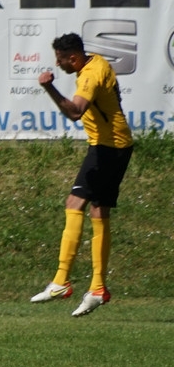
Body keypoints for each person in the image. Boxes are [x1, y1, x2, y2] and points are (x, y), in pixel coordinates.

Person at [31, 32, 134, 317]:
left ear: (74, 58)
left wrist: (49, 87)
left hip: (109, 148)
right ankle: (97, 288)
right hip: (112, 146)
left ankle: (62, 282)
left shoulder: (91, 74)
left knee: (75, 203)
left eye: (61, 59)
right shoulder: (94, 63)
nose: (58, 64)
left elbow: (75, 112)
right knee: (98, 211)